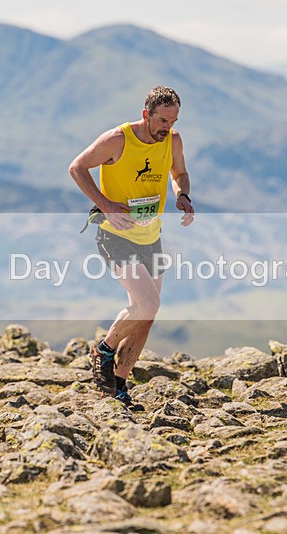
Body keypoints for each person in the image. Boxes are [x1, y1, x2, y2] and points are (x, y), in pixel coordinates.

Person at [69, 86, 194, 410]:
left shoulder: (173, 140)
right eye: (162, 120)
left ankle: (118, 385)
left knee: (145, 316)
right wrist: (106, 205)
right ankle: (104, 349)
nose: (167, 127)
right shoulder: (118, 139)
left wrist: (182, 195)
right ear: (145, 115)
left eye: (173, 120)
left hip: (150, 235)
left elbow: (179, 172)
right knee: (148, 304)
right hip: (115, 233)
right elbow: (77, 167)